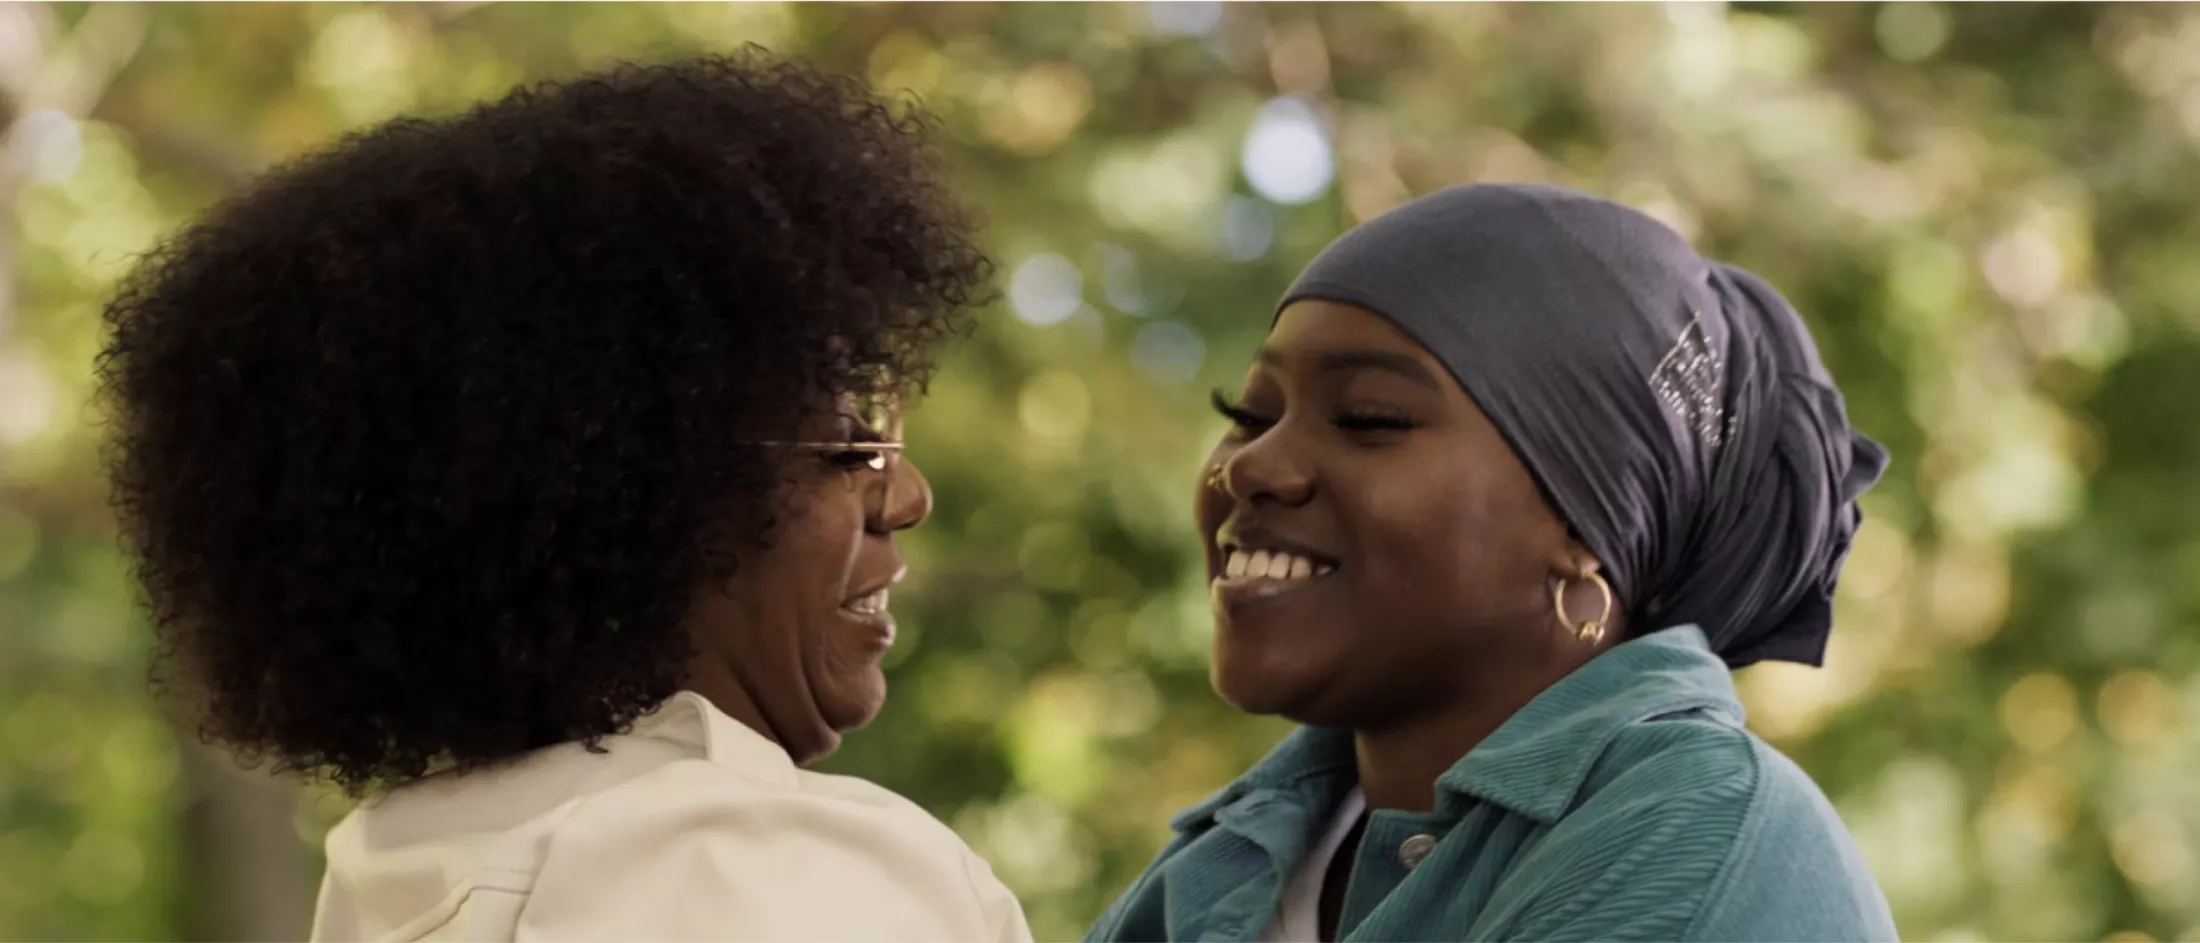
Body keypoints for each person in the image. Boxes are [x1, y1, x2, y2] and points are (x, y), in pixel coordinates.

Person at [99, 53, 1030, 942]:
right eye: (848, 446)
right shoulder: (742, 859)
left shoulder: (397, 867)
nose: (906, 494)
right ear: (657, 485)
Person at [1086, 182, 1897, 942]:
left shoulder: (1689, 832)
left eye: (1368, 417)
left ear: (1583, 524)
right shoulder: (1232, 855)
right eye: (1249, 414)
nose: (1251, 465)